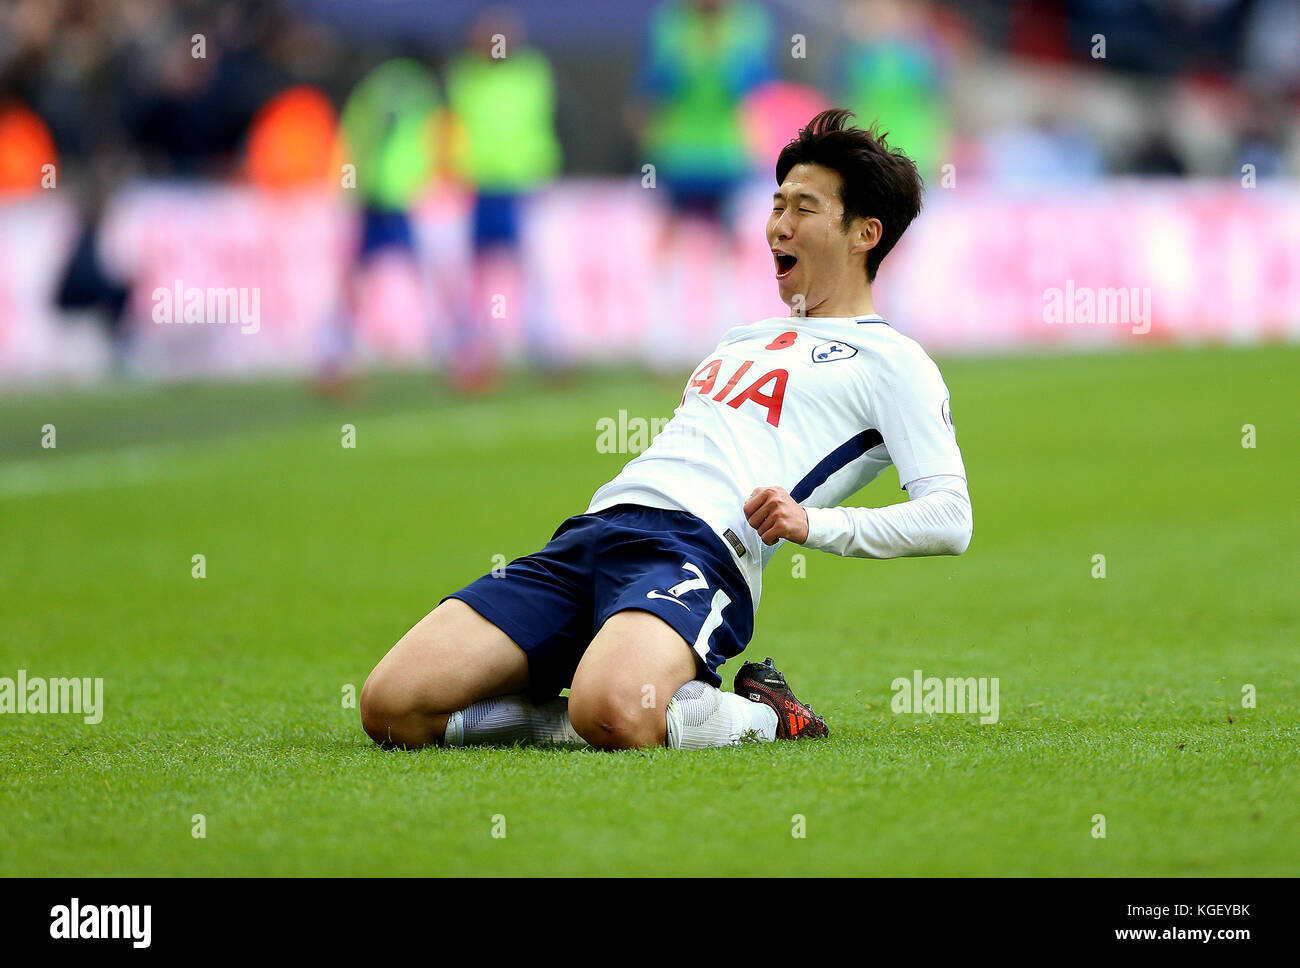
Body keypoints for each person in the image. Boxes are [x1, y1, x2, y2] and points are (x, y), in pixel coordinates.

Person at [361, 110, 973, 752]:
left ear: (864, 234)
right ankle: (610, 688)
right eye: (777, 204)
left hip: (699, 552)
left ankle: (767, 715)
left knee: (616, 713)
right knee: (392, 707)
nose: (779, 226)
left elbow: (950, 517)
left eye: (805, 208)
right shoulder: (742, 338)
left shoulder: (895, 361)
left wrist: (815, 525)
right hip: (593, 533)